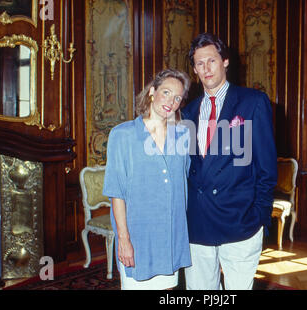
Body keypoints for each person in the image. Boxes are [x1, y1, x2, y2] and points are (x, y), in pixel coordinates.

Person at [182, 33, 278, 290]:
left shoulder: (252, 102)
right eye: (199, 63)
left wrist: (259, 215)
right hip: (198, 224)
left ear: (225, 61)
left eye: (211, 61)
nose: (206, 69)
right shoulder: (188, 112)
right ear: (194, 69)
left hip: (240, 220)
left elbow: (266, 167)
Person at [103, 68, 192, 290]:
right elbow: (117, 192)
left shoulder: (182, 136)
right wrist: (123, 240)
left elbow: (184, 183)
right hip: (138, 237)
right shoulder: (122, 135)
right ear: (152, 92)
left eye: (178, 97)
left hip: (170, 237)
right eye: (166, 92)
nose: (171, 101)